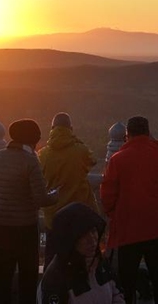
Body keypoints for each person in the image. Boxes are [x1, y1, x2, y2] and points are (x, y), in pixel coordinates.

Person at [100, 116, 158, 304]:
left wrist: (114, 214)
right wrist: (153, 140)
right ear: (148, 132)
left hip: (128, 230)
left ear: (127, 135)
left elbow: (107, 195)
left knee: (126, 282)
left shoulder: (117, 159)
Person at [0, 118, 59, 304]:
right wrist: (56, 194)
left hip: (2, 226)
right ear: (32, 140)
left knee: (3, 275)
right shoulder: (30, 161)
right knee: (27, 276)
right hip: (26, 227)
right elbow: (41, 199)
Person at [38, 112, 100, 264]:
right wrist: (74, 141)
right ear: (71, 129)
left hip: (53, 217)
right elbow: (92, 160)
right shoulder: (80, 151)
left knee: (52, 259)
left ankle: (49, 287)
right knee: (80, 260)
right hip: (78, 216)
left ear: (52, 129)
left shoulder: (42, 154)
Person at [39, 202, 125, 304]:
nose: (92, 240)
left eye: (93, 231)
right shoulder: (56, 277)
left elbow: (118, 294)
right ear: (70, 240)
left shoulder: (102, 265)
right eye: (84, 235)